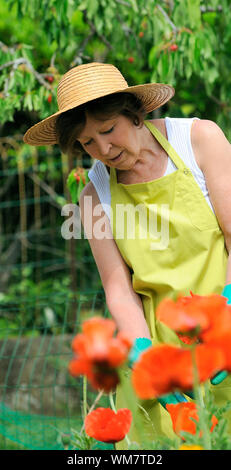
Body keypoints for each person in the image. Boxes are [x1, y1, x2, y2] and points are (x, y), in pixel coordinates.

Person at [24, 62, 231, 448]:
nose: (103, 150)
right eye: (88, 143)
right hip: (159, 343)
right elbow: (118, 289)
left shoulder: (199, 140)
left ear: (134, 113)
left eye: (107, 130)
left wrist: (228, 314)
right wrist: (145, 355)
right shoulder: (93, 198)